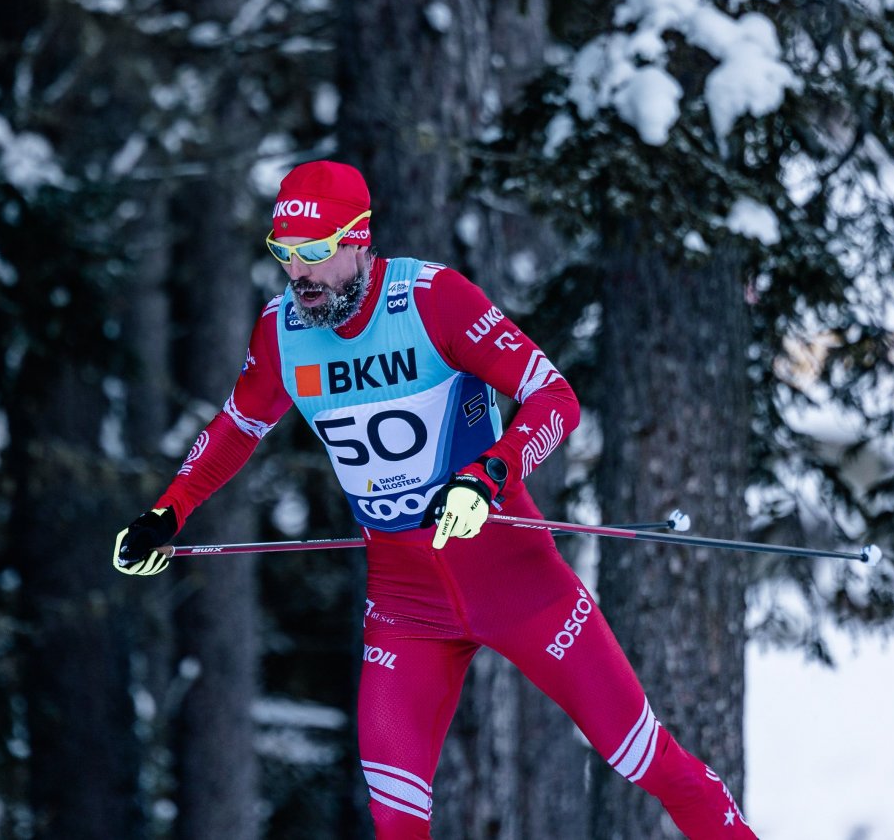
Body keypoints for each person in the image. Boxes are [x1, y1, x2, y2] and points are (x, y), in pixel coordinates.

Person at [112, 160, 756, 838]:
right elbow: (236, 428)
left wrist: (488, 474)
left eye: (315, 253)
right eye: (284, 254)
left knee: (650, 762)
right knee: (397, 824)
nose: (298, 274)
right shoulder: (282, 332)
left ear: (358, 239)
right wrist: (169, 510)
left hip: (518, 584)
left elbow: (554, 399)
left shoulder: (430, 299)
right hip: (405, 604)